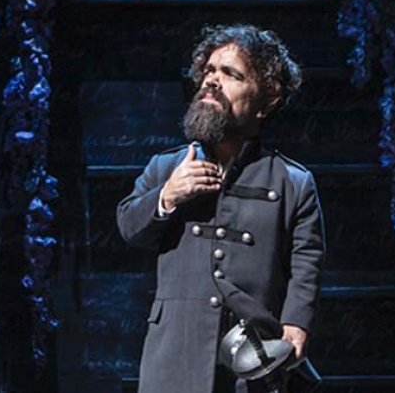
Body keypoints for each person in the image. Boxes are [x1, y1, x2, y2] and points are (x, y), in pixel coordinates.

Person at [116, 24, 325, 393]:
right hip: (175, 357)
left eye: (230, 74)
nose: (212, 81)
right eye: (209, 71)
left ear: (268, 99)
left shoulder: (293, 181)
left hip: (254, 358)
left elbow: (306, 258)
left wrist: (297, 321)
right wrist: (167, 196)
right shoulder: (165, 168)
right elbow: (128, 227)